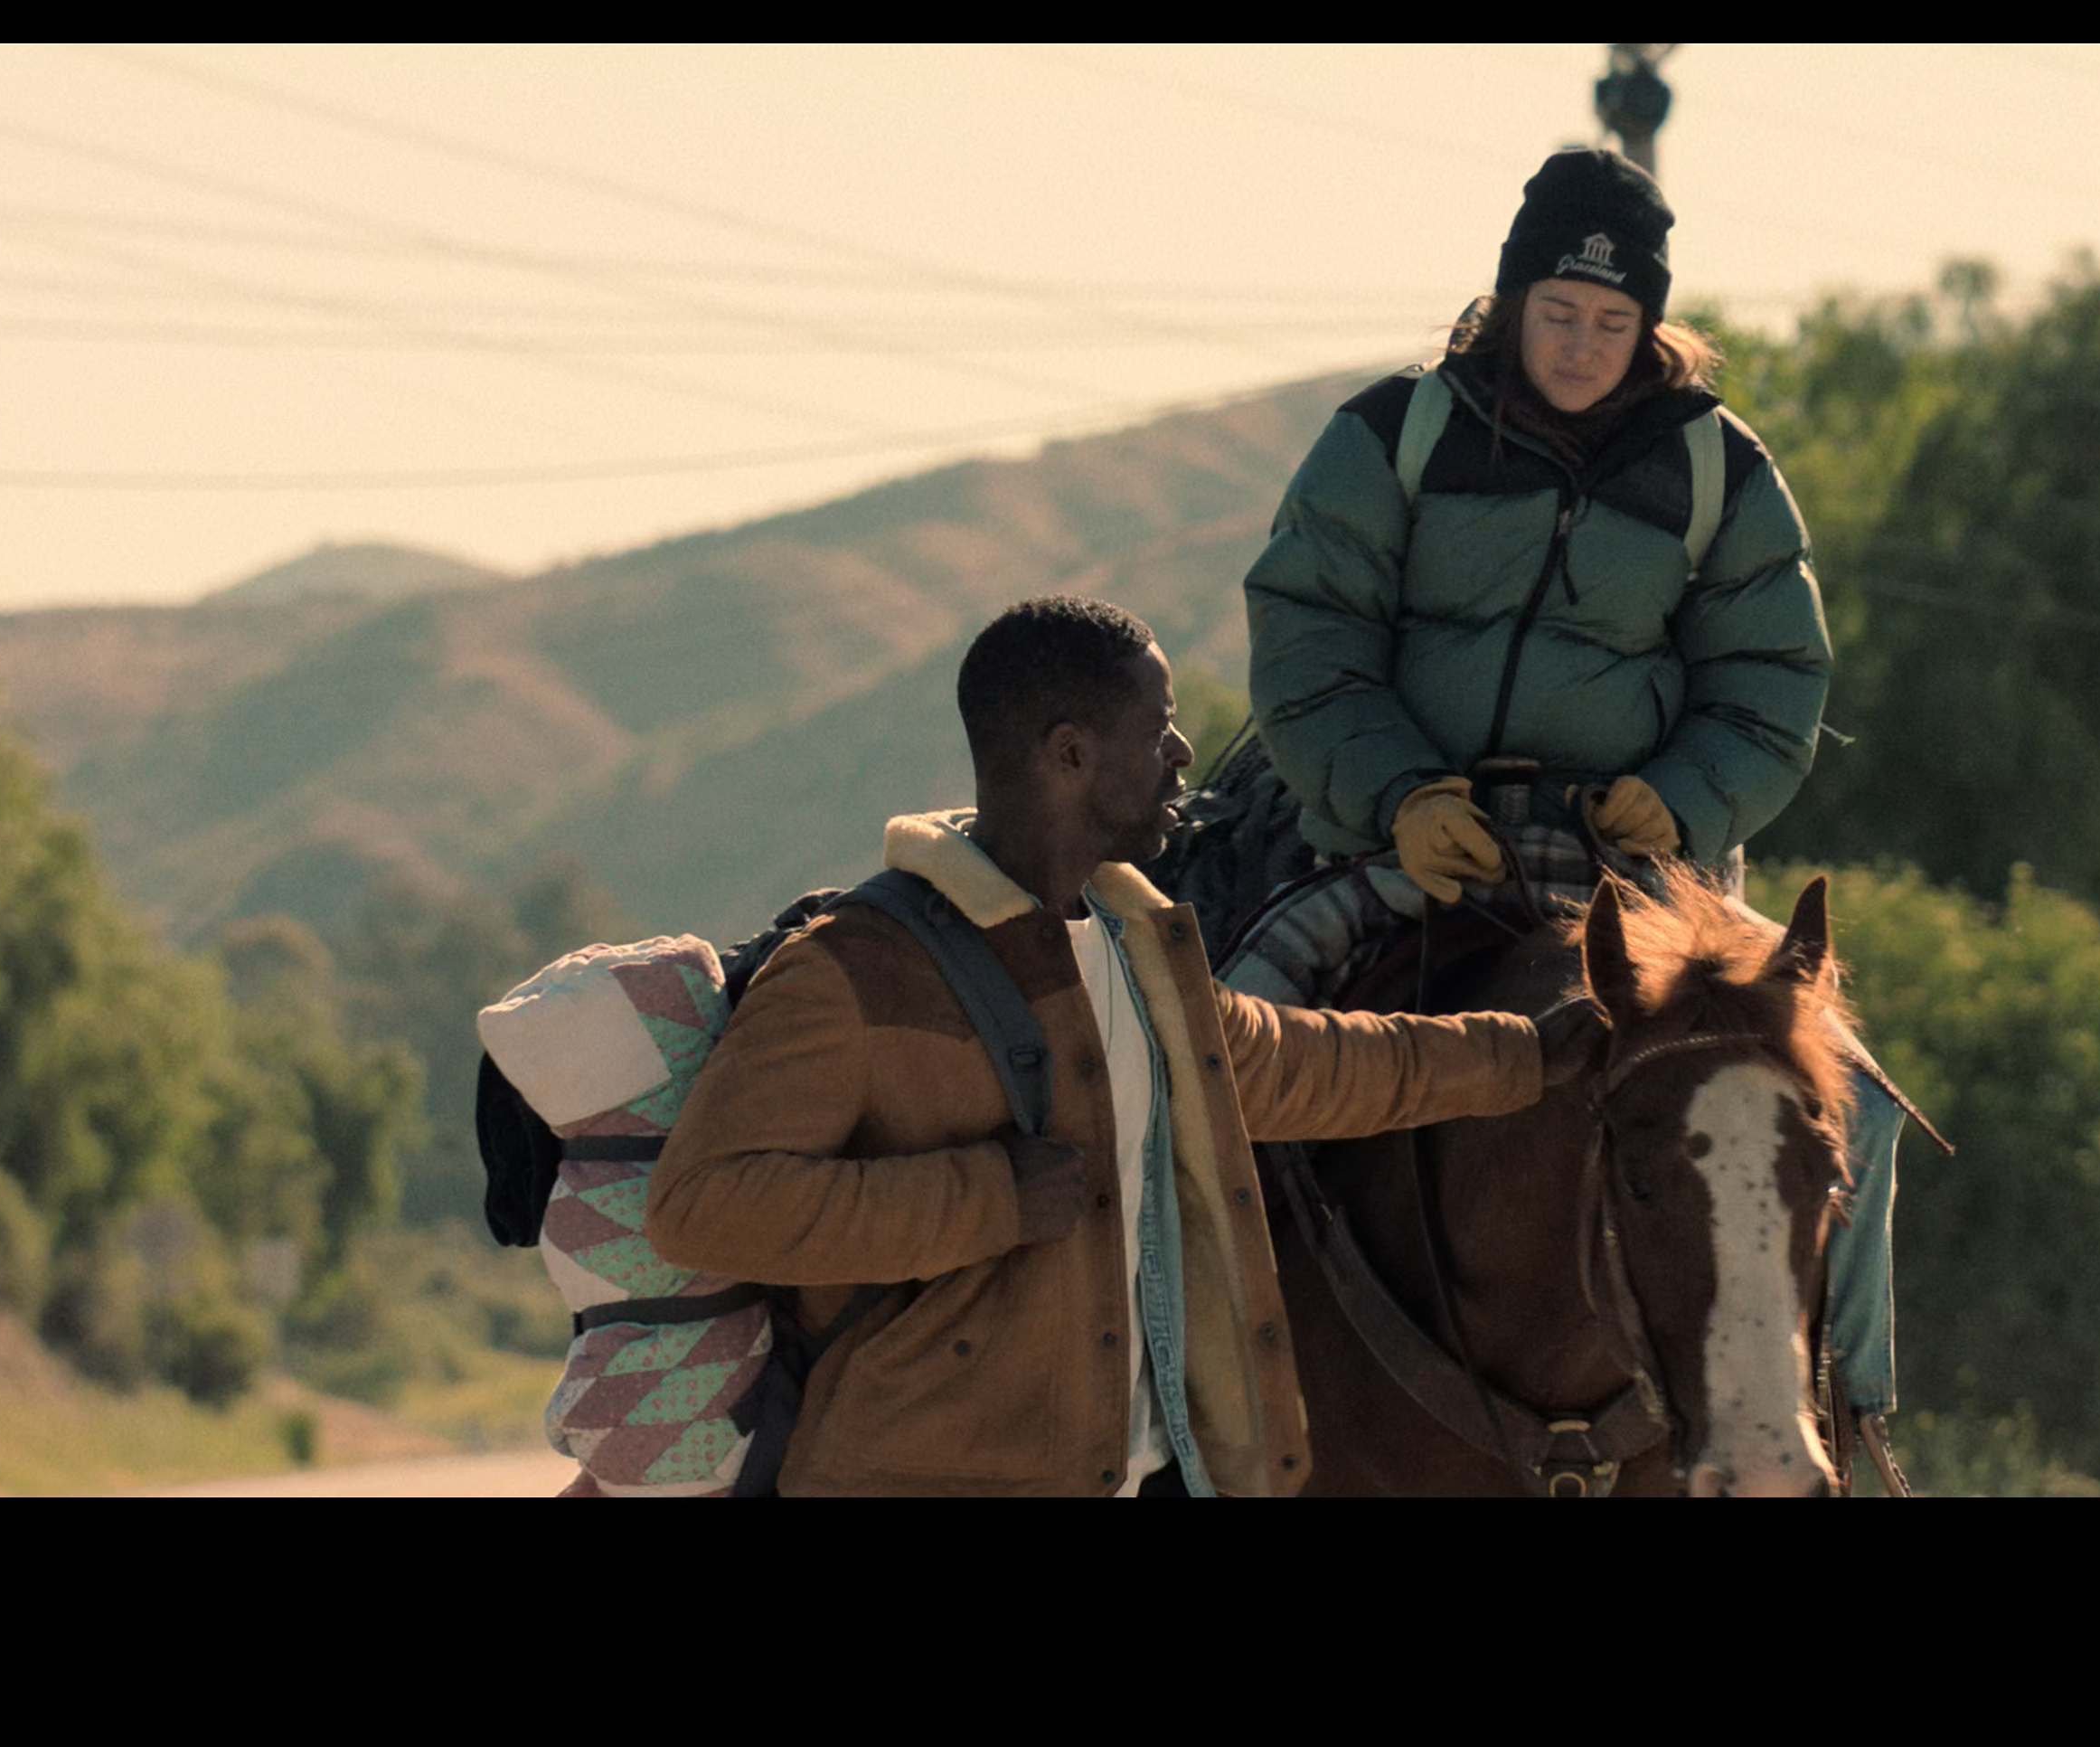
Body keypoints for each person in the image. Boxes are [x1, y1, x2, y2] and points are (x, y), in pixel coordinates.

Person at [643, 597, 1606, 1497]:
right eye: (1159, 729)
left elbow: (1307, 1064)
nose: (1184, 753)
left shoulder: (1140, 947)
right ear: (1070, 753)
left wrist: (1528, 1055)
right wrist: (988, 1196)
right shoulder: (849, 969)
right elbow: (701, 1207)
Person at [1240, 146, 1907, 1434]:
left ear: (1649, 325)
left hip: (1636, 877)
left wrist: (1684, 799)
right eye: (1559, 311)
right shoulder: (1394, 432)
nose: (1583, 344)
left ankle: (1851, 1410)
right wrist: (1399, 795)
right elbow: (1311, 634)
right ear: (1511, 301)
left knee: (1856, 1103)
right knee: (1220, 1047)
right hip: (1406, 849)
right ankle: (1172, 1394)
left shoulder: (1720, 469)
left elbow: (1773, 677)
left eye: (1613, 321)